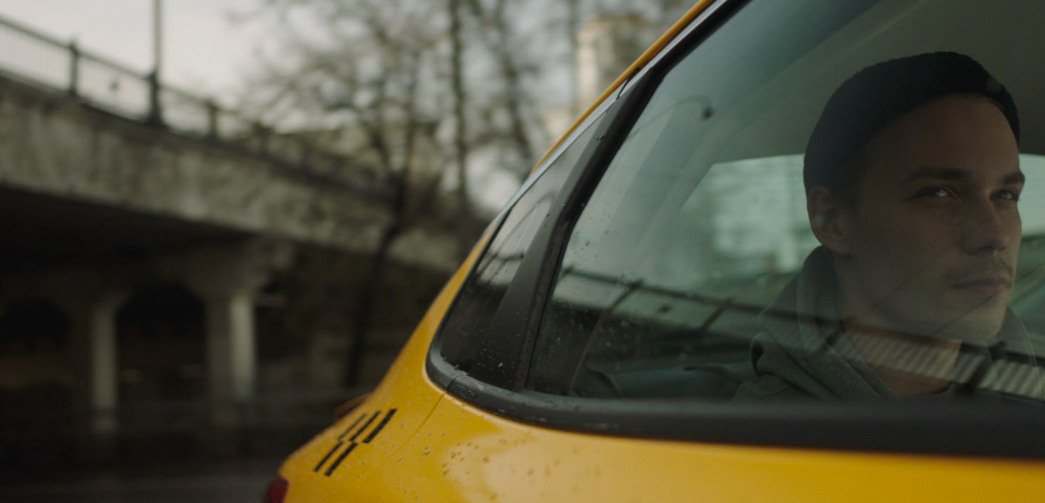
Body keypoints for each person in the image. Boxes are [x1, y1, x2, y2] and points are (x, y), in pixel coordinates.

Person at [735, 52, 1042, 400]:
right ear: (833, 220)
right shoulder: (763, 430)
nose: (995, 235)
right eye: (938, 193)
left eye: (1005, 195)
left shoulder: (1031, 393)